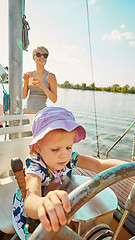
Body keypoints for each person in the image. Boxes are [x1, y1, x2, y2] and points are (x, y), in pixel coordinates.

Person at [12, 107, 126, 239]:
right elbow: (30, 201)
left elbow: (98, 164)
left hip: (61, 207)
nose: (64, 155)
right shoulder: (35, 167)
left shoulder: (70, 158)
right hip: (33, 219)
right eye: (55, 149)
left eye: (68, 147)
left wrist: (129, 167)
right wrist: (42, 204)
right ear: (38, 147)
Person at [23, 46, 57, 114]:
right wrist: (25, 82)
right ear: (33, 57)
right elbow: (23, 96)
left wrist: (42, 86)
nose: (42, 57)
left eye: (45, 55)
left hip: (41, 115)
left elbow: (54, 99)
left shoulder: (50, 76)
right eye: (38, 55)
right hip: (26, 113)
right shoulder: (29, 74)